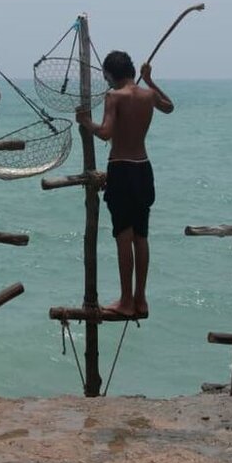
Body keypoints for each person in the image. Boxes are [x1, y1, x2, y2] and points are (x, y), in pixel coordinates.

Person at [76, 51, 174, 318]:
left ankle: (126, 300)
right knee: (141, 236)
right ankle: (141, 299)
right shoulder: (147, 95)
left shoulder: (114, 96)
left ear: (109, 74)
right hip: (143, 168)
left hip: (121, 167)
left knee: (124, 237)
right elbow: (169, 106)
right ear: (132, 70)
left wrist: (86, 123)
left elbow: (106, 132)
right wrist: (151, 81)